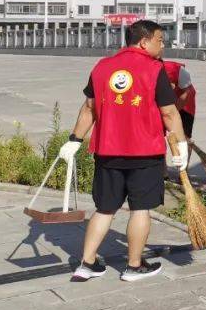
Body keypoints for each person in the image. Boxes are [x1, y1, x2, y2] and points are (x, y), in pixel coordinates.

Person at [57, 20, 189, 282]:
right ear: (144, 41)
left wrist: (75, 139)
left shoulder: (102, 67)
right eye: (160, 40)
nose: (163, 45)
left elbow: (88, 108)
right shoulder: (154, 69)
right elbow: (169, 112)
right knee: (140, 209)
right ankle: (134, 266)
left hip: (107, 152)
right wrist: (182, 145)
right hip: (144, 153)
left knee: (104, 209)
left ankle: (87, 263)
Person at [162, 59, 196, 137]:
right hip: (165, 101)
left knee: (183, 134)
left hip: (185, 104)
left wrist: (174, 112)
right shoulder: (148, 69)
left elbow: (186, 94)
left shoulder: (177, 69)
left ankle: (186, 146)